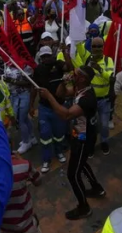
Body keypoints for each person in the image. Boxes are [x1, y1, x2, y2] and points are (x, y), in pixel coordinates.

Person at [38, 66, 105, 220]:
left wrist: (48, 97)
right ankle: (96, 188)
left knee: (73, 175)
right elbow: (60, 94)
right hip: (78, 134)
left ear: (82, 78)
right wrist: (62, 82)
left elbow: (66, 115)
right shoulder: (79, 88)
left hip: (84, 138)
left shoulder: (87, 98)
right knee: (82, 163)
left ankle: (84, 207)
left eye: (75, 74)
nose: (71, 75)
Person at [30, 46, 68, 172]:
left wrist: (66, 52)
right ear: (40, 58)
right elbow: (33, 89)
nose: (46, 59)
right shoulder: (38, 69)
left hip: (58, 107)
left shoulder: (59, 65)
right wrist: (31, 105)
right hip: (44, 108)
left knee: (59, 134)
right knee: (45, 135)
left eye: (48, 56)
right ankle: (46, 159)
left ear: (52, 55)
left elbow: (69, 67)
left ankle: (59, 152)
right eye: (43, 57)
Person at [84, 36, 114, 155]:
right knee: (91, 126)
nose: (97, 48)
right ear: (91, 47)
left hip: (104, 100)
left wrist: (99, 69)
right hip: (91, 100)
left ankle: (104, 141)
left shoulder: (108, 60)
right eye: (94, 46)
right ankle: (90, 145)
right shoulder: (87, 61)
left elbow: (111, 78)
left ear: (103, 47)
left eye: (99, 46)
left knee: (105, 125)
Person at [4, 60, 37, 155]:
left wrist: (12, 81)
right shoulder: (8, 63)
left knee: (20, 119)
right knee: (25, 118)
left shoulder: (25, 66)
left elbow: (29, 82)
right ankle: (32, 137)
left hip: (23, 95)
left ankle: (26, 142)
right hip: (13, 95)